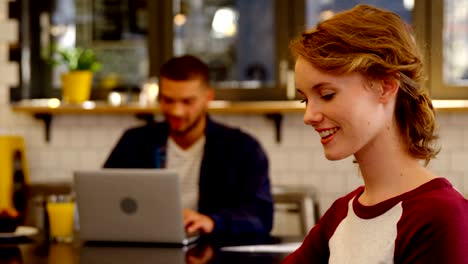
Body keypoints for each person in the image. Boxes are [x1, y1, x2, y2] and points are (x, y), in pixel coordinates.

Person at [283, 4, 468, 263]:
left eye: (326, 95)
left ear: (386, 87)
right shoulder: (340, 214)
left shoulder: (440, 215)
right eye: (305, 100)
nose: (309, 116)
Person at [103, 55, 273, 238]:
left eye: (187, 102)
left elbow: (261, 218)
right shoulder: (134, 142)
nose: (176, 111)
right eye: (168, 100)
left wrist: (213, 222)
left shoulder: (242, 148)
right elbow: (103, 200)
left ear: (208, 97)